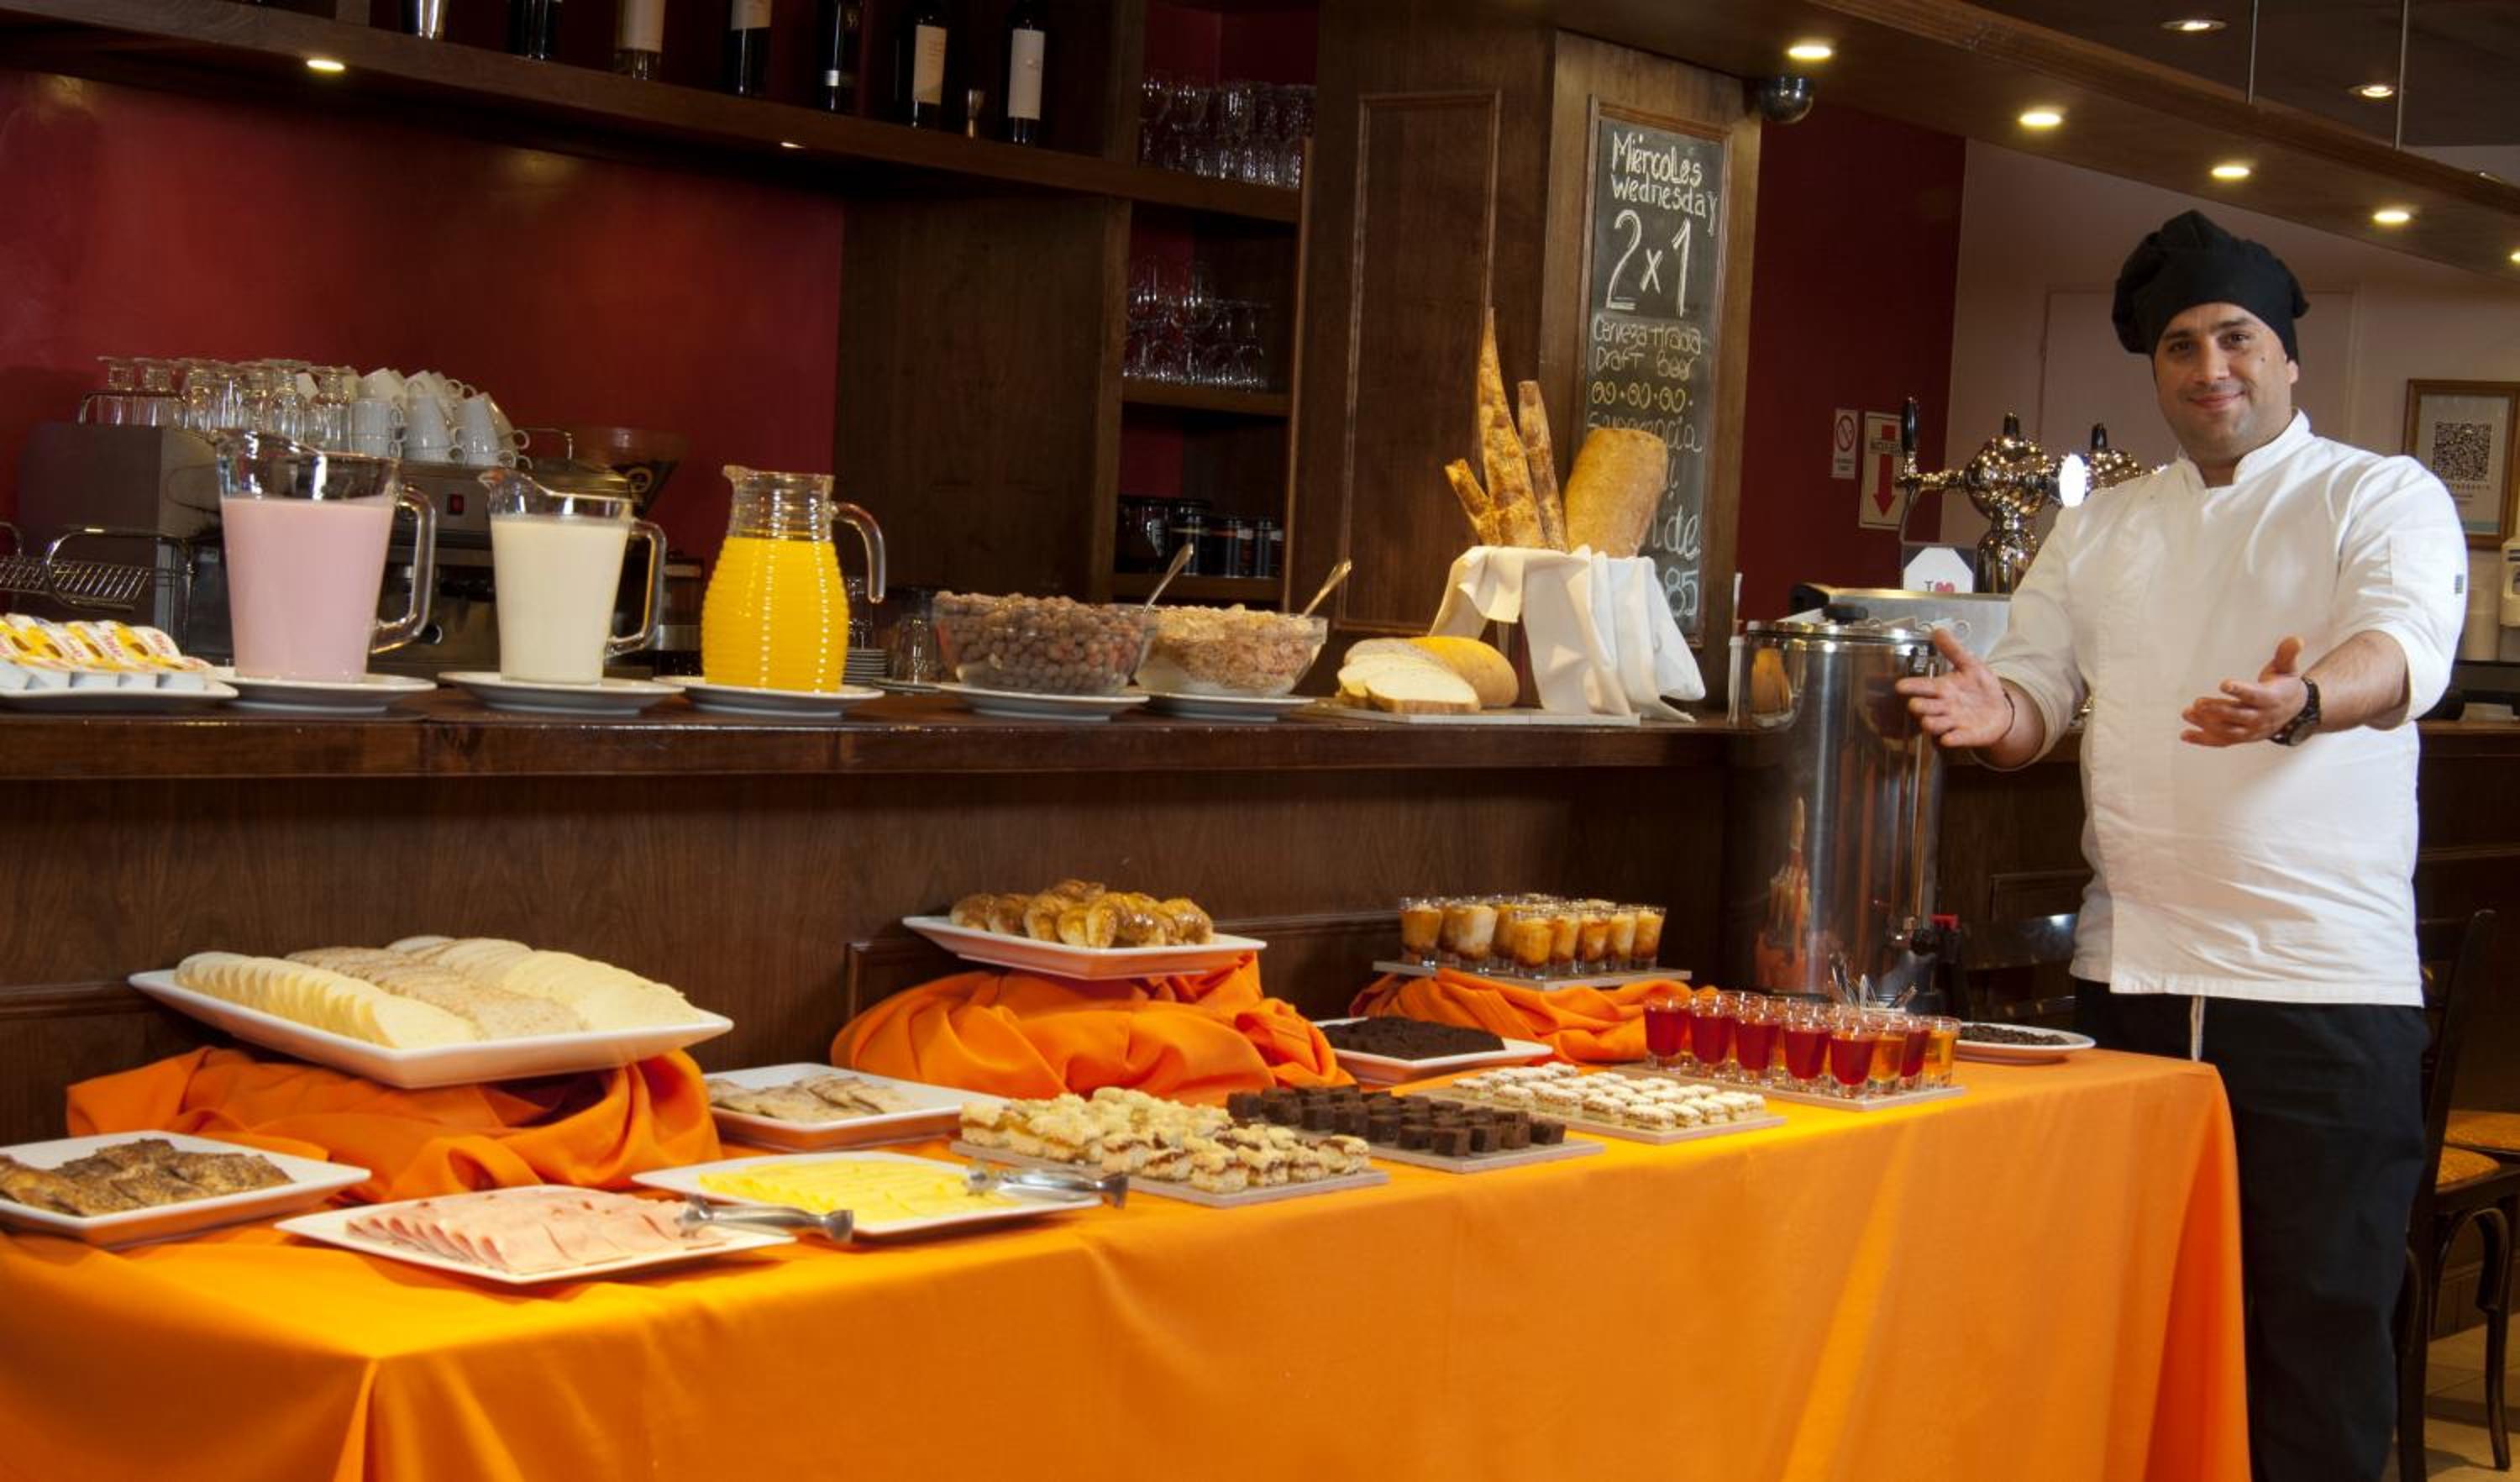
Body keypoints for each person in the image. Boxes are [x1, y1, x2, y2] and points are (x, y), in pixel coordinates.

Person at [1896, 209, 2468, 1481]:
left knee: (2314, 1337)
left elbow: (2401, 649)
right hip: (2133, 981)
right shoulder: (2102, 524)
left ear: (2288, 355)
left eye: (2236, 337)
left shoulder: (2379, 493)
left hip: (2321, 992)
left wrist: (2304, 699)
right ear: (2154, 372)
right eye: (2180, 347)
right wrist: (1998, 718)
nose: (2211, 367)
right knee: (2133, 1329)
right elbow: (2038, 693)